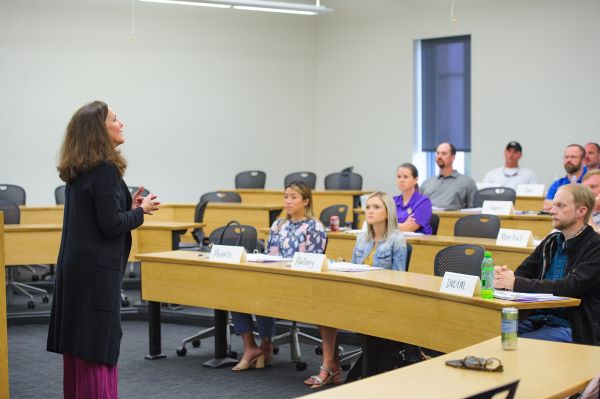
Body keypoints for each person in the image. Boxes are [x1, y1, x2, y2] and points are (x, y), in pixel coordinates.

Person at [47, 101, 160, 398]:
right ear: (99, 129)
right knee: (97, 345)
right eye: (114, 118)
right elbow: (110, 225)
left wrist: (129, 207)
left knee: (79, 346)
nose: (121, 123)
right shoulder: (106, 169)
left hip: (77, 270)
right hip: (97, 273)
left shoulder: (79, 170)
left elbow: (98, 216)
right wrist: (141, 211)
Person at [304, 191, 407, 389]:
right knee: (324, 307)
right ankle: (330, 365)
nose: (370, 211)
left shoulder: (397, 240)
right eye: (368, 207)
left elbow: (400, 278)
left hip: (380, 299)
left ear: (388, 211)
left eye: (376, 207)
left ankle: (334, 368)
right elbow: (354, 267)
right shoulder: (362, 238)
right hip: (358, 293)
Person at [230, 181, 327, 371]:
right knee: (238, 292)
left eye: (293, 197)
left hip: (299, 282)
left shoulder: (314, 226)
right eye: (286, 197)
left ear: (306, 201)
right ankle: (250, 347)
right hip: (275, 277)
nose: (288, 201)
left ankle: (266, 345)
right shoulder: (278, 224)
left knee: (266, 291)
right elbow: (270, 255)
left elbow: (314, 261)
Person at [494, 184, 600, 345]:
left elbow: (570, 287)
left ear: (581, 211)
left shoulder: (595, 247)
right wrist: (501, 277)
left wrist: (515, 282)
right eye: (553, 205)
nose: (552, 211)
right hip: (536, 317)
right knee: (488, 335)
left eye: (561, 206)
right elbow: (522, 273)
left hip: (571, 326)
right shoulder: (550, 242)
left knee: (513, 344)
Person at [420, 142, 480, 210]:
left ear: (453, 157)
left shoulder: (467, 182)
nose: (439, 156)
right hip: (428, 219)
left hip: (453, 219)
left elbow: (474, 211)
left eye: (444, 153)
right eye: (437, 153)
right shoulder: (426, 183)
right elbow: (418, 208)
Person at [543, 144, 588, 211]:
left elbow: (590, 203)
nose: (569, 160)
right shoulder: (558, 184)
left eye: (573, 157)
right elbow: (546, 205)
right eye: (566, 157)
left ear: (583, 160)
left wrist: (558, 203)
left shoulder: (590, 180)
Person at [394, 163, 432, 234]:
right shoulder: (393, 201)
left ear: (415, 180)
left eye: (405, 177)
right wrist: (403, 224)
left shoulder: (424, 202)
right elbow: (382, 223)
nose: (401, 180)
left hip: (418, 242)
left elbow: (410, 228)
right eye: (399, 177)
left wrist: (389, 225)